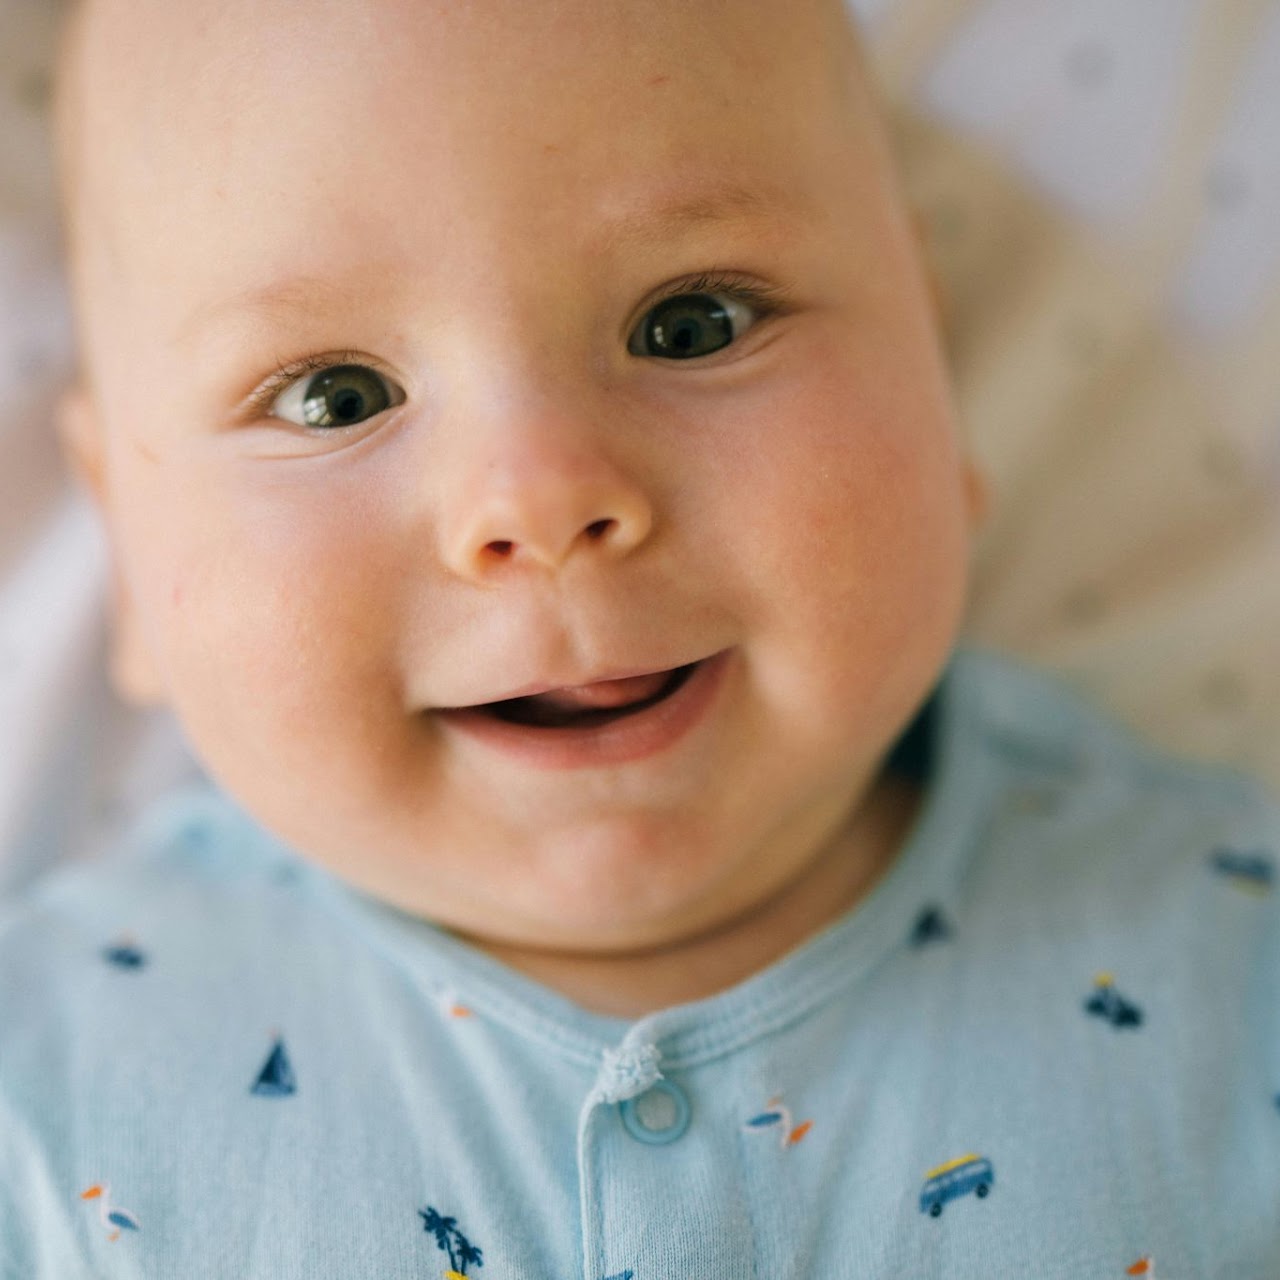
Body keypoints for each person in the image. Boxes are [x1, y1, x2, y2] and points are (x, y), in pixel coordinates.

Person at [2, 0, 1277, 1275]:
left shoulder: (1237, 964)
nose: (540, 498)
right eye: (336, 398)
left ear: (934, 386)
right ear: (125, 546)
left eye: (692, 323)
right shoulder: (40, 1080)